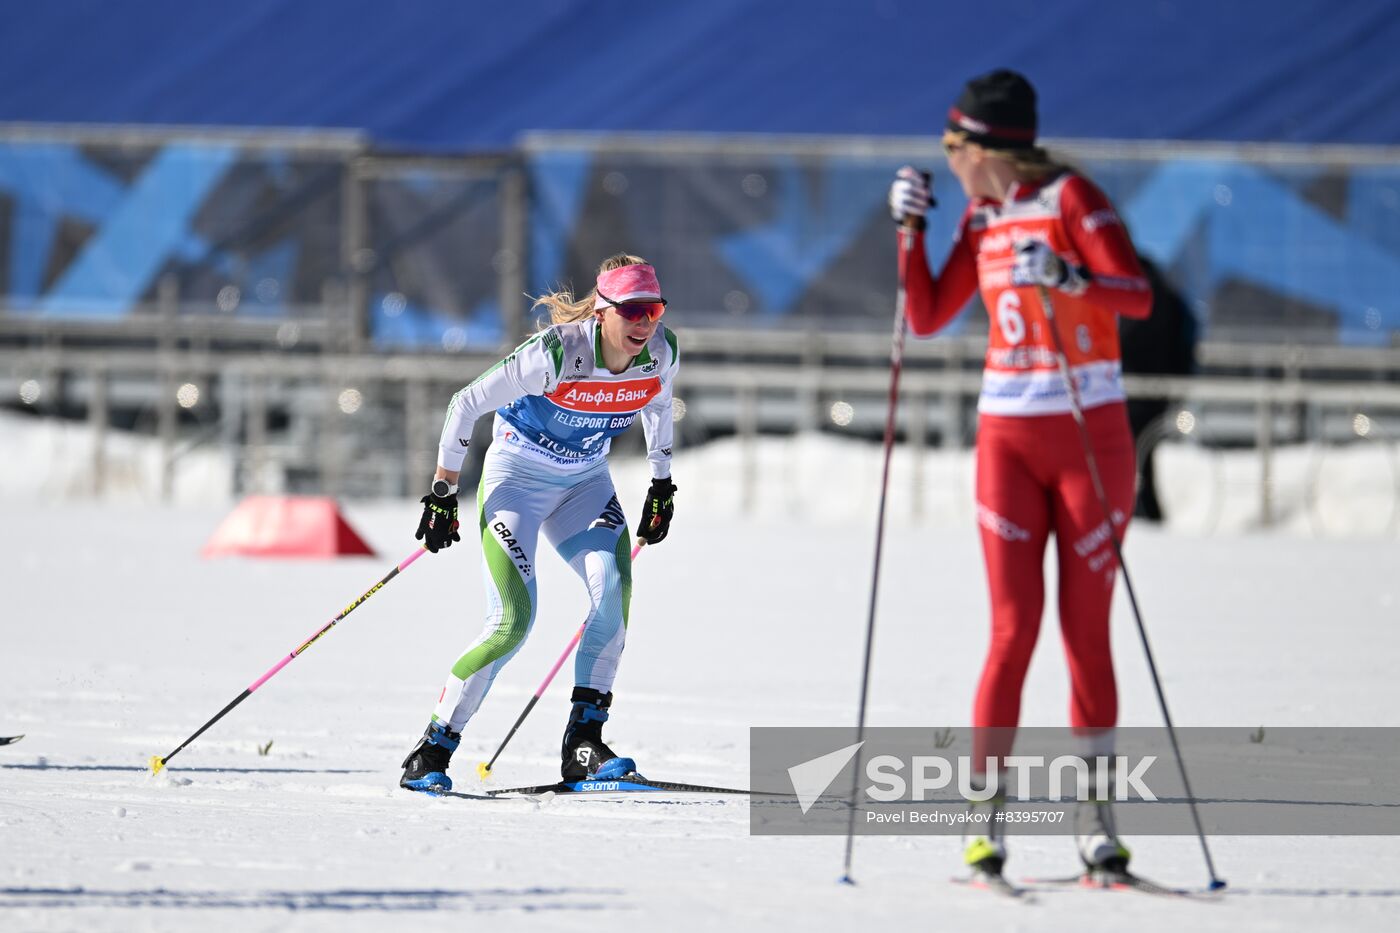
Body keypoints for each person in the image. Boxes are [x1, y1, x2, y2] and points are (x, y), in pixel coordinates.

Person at [887, 70, 1152, 879]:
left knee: (1084, 634)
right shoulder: (981, 211)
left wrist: (1071, 276)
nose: (946, 157)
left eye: (951, 146)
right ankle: (986, 822)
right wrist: (907, 234)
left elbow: (1135, 295)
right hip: (1007, 436)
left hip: (1088, 435)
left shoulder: (1073, 199)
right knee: (1010, 631)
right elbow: (929, 317)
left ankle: (1095, 821)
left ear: (987, 147)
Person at [399, 254, 680, 793]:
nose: (646, 323)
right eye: (635, 311)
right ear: (603, 312)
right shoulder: (558, 352)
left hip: (583, 485)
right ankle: (432, 749)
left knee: (612, 596)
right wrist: (442, 492)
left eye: (655, 309)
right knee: (512, 621)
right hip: (516, 482)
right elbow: (465, 404)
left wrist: (662, 483)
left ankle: (584, 746)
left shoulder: (660, 353)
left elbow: (659, 407)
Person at [1119, 256, 1198, 522]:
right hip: (1154, 389)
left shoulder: (1140, 291)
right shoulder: (1161, 287)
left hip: (1137, 388)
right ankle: (1146, 510)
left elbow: (1131, 340)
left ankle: (1142, 512)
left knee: (1134, 455)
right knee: (1142, 455)